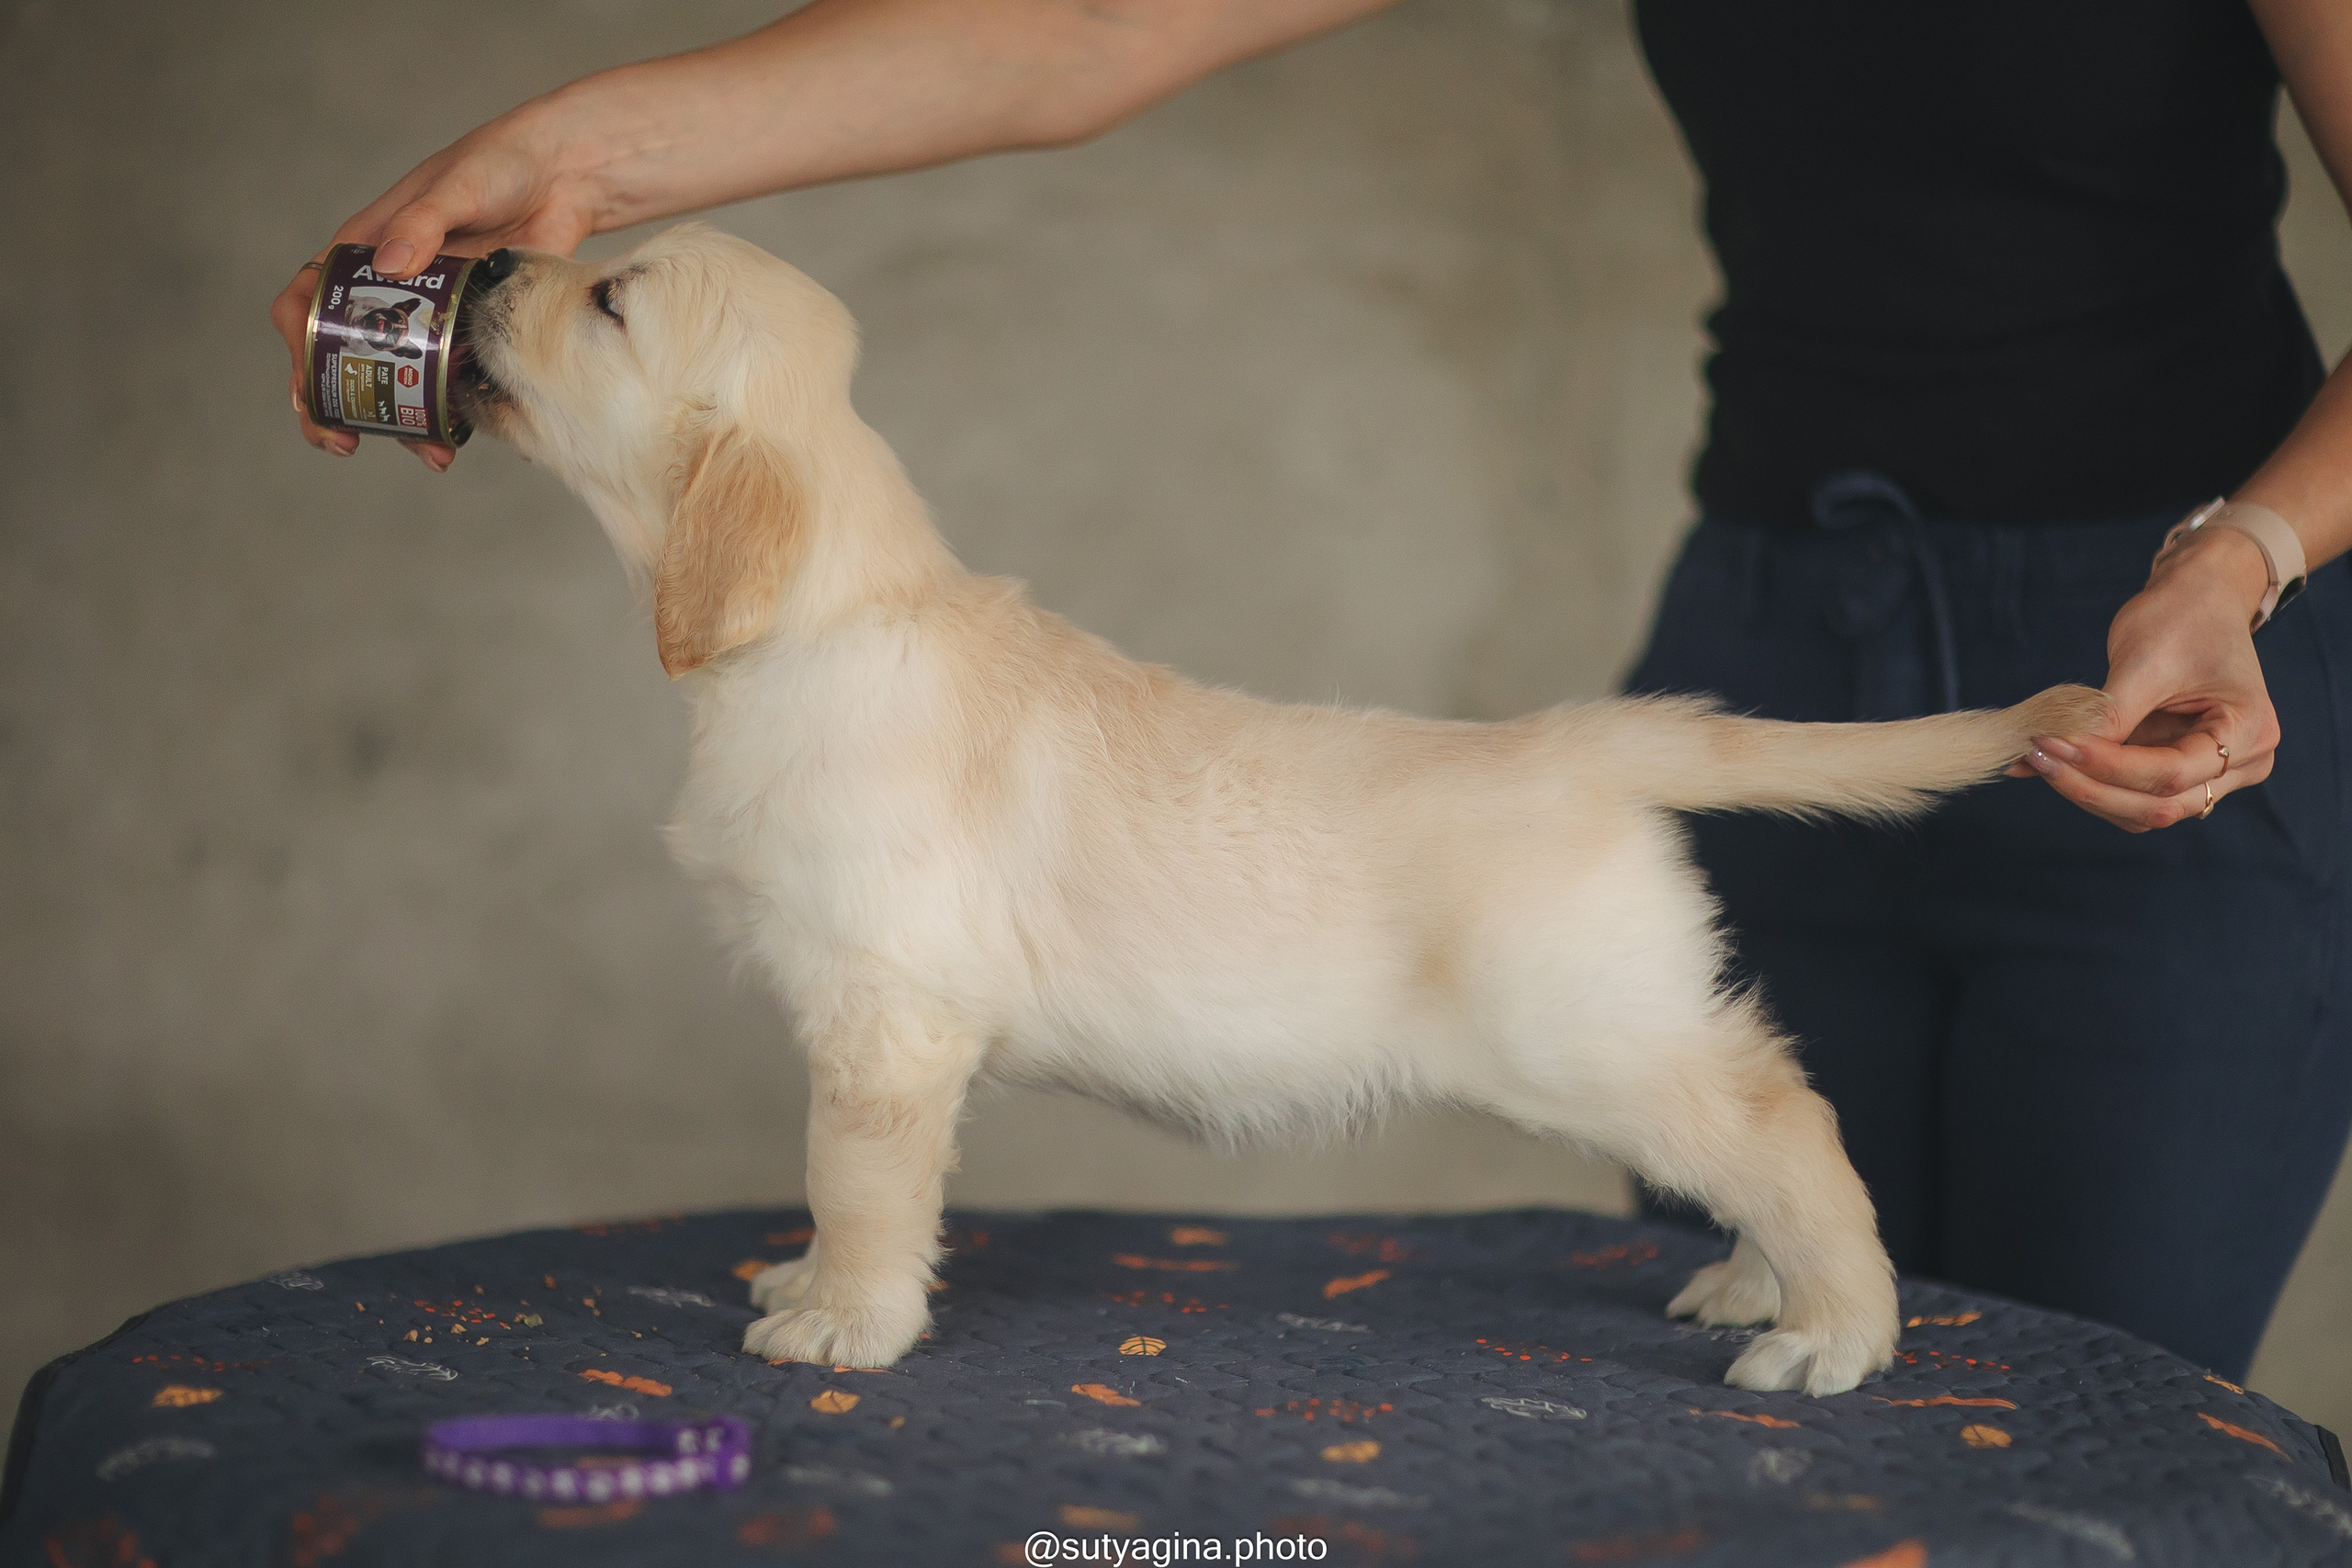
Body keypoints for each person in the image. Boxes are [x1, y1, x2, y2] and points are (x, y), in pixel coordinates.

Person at [272, 0, 2352, 1382]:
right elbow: (1072, 15)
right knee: (1748, 1417)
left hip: (2190, 648)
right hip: (1765, 601)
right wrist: (557, 151)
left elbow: (892, 1015)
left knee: (2093, 1421)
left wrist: (2248, 541)